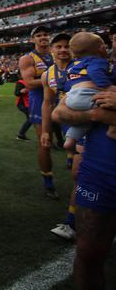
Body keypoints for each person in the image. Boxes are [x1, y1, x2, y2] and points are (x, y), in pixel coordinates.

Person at [52, 89, 116, 290]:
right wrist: (92, 114)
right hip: (99, 170)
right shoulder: (100, 69)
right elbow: (59, 111)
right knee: (88, 252)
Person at [38, 33, 76, 240]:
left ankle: (74, 221)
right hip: (67, 124)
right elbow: (47, 103)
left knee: (81, 173)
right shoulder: (48, 74)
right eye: (59, 46)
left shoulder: (82, 66)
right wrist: (45, 130)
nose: (63, 50)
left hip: (90, 125)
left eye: (67, 46)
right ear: (52, 50)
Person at [18, 25, 57, 199]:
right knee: (45, 142)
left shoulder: (58, 54)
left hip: (62, 98)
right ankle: (48, 182)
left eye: (45, 34)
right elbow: (29, 83)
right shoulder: (28, 58)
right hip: (40, 101)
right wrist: (55, 78)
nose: (43, 37)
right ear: (33, 39)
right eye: (38, 35)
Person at [63, 32, 116, 152]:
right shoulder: (97, 61)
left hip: (71, 97)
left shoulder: (75, 64)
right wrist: (107, 87)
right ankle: (113, 130)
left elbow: (67, 81)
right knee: (110, 103)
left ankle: (70, 140)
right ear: (101, 48)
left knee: (84, 122)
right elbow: (95, 72)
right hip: (86, 95)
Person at [15, 72, 31, 141]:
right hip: (22, 104)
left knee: (31, 118)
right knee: (31, 118)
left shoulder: (28, 81)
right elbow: (16, 93)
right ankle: (21, 134)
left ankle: (21, 134)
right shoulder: (20, 82)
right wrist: (21, 91)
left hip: (28, 103)